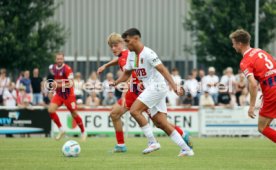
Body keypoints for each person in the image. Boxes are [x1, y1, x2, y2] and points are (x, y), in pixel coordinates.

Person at [97, 32, 190, 153]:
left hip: (139, 91)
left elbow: (130, 75)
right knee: (117, 114)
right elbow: (120, 61)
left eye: (116, 45)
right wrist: (106, 65)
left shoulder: (130, 55)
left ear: (123, 43)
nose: (113, 48)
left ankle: (171, 137)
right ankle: (121, 144)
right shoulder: (125, 55)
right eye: (111, 46)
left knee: (158, 121)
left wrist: (125, 94)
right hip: (137, 90)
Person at [230, 29, 276, 143]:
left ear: (240, 44)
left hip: (272, 92)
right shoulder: (260, 51)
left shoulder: (245, 62)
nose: (233, 46)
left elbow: (253, 84)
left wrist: (251, 106)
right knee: (267, 124)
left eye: (234, 43)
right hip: (271, 89)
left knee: (262, 127)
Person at [47, 52, 86, 141]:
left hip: (69, 95)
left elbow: (71, 83)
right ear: (55, 60)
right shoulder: (53, 68)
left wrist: (57, 85)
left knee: (74, 114)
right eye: (58, 59)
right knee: (50, 110)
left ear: (63, 59)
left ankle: (83, 132)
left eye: (61, 59)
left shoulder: (67, 69)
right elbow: (54, 81)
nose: (59, 60)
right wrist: (52, 90)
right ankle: (61, 130)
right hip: (59, 94)